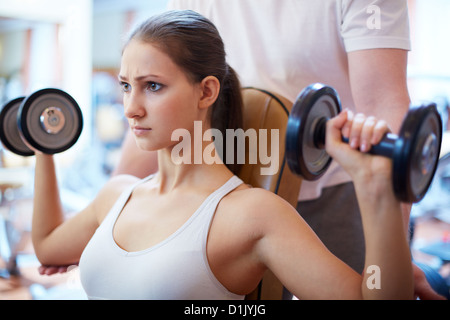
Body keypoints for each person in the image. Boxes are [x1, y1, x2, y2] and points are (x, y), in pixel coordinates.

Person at [32, 10, 413, 299]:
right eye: (126, 86)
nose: (130, 108)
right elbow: (48, 243)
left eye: (152, 86)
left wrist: (377, 191)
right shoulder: (117, 193)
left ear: (206, 92)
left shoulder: (253, 214)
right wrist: (43, 146)